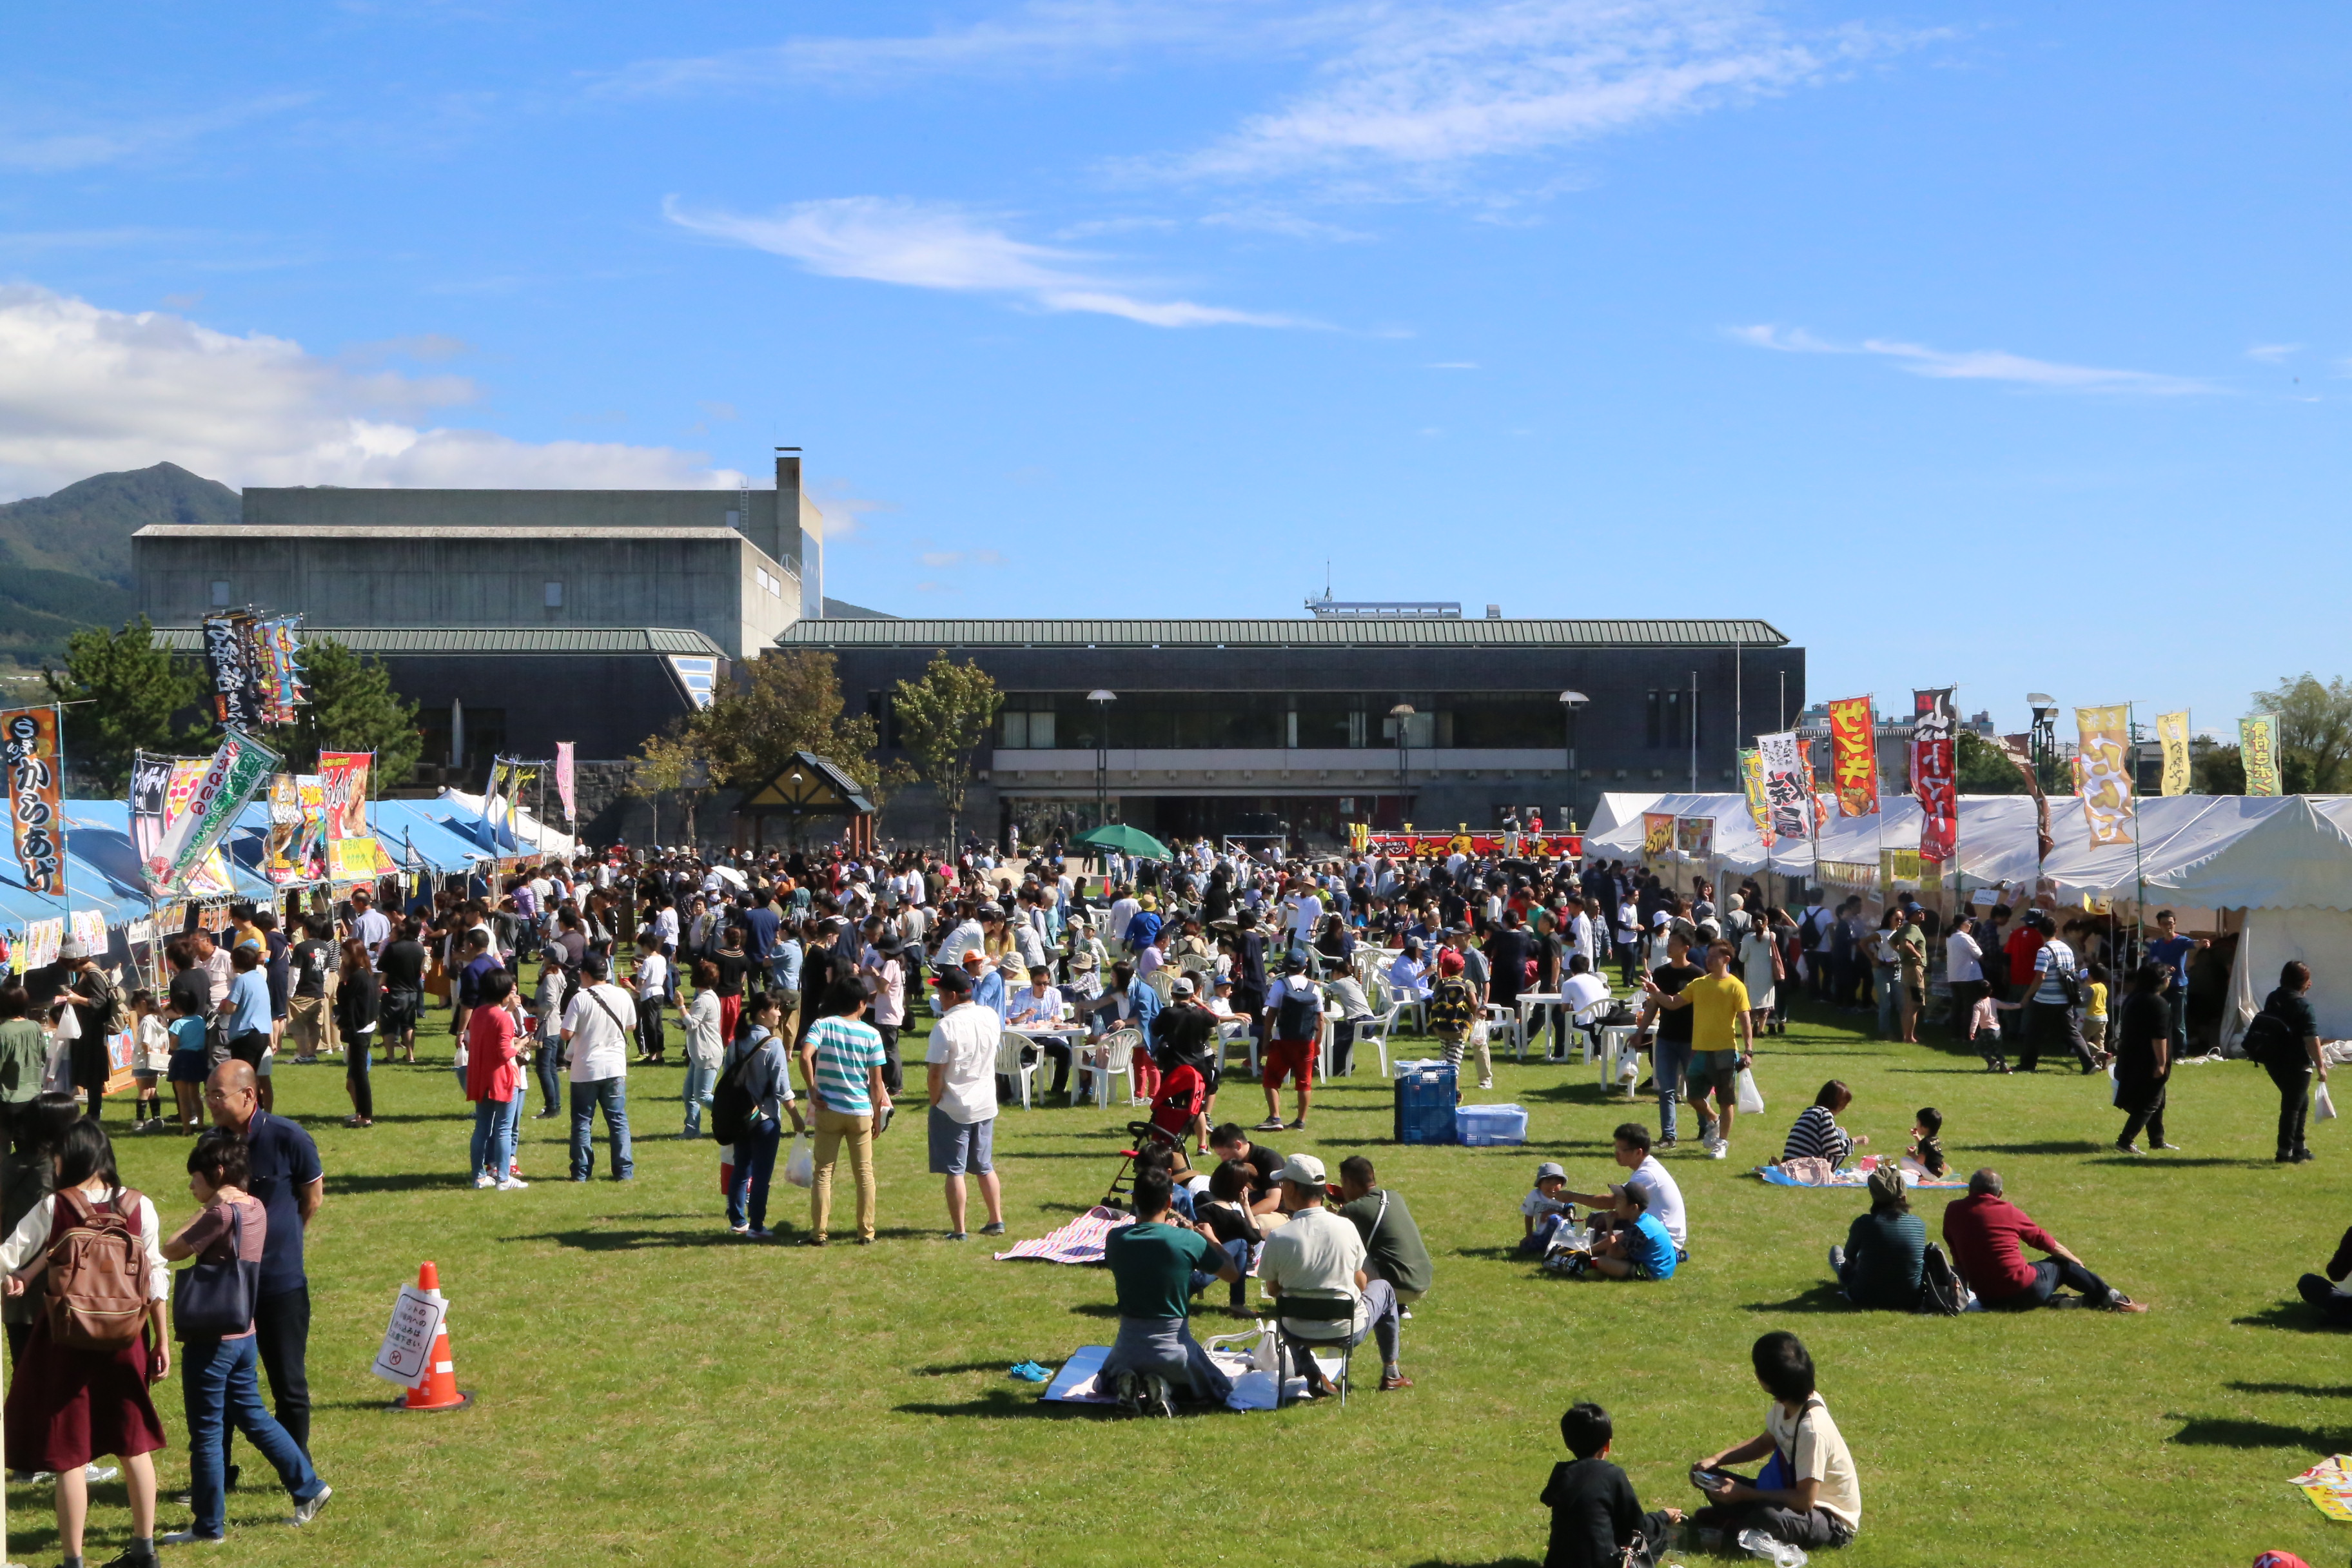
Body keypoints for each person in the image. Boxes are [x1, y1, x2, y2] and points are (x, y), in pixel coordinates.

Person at [0, 1119, 170, 1568]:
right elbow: (156, 1277)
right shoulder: (140, 1205)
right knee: (134, 1443)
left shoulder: (56, 1206)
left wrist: (15, 1280)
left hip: (67, 1337)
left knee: (69, 1451)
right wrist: (163, 1341)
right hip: (128, 1335)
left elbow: (8, 1255)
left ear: (69, 1157)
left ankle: (73, 1560)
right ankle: (143, 1550)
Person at [159, 1129, 330, 1543]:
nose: (191, 1186)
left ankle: (208, 1526)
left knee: (207, 1431)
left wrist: (210, 1208)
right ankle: (308, 1486)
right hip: (244, 1333)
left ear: (217, 1173)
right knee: (253, 1416)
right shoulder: (256, 1208)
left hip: (212, 1337)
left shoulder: (221, 1214)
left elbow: (171, 1249)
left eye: (195, 1178)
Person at [1687, 1332, 1861, 1552]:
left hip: (1829, 1520)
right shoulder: (1789, 1401)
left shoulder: (1813, 1429)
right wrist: (1716, 1460)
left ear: (1766, 1381)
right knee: (1710, 1478)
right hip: (1788, 1496)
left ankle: (1736, 1523)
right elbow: (1764, 1443)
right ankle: (1738, 1522)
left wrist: (1744, 1493)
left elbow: (1804, 1500)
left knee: (1767, 1516)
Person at [1257, 1153, 1408, 1395]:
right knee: (1385, 1289)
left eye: (1283, 1184)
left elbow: (1274, 1290)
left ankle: (1312, 1373)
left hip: (1297, 1330)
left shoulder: (1279, 1236)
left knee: (1288, 1310)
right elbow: (1361, 1283)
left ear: (1293, 1188)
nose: (1281, 1189)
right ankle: (1391, 1373)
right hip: (1346, 1329)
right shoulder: (1346, 1227)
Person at [1096, 1166, 1241, 1415]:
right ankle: (1164, 1386)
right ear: (1170, 1200)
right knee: (1218, 1387)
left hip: (1127, 1351)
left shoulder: (1115, 1239)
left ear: (1134, 1200)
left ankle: (1133, 1384)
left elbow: (1147, 1249)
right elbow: (1231, 1274)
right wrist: (1211, 1239)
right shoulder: (1187, 1240)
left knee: (1101, 1384)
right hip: (1176, 1353)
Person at [1941, 1168, 2144, 1311]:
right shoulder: (2007, 1211)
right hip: (2022, 1288)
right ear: (2000, 1193)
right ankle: (2119, 1301)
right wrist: (2076, 1266)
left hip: (1987, 1298)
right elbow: (2046, 1242)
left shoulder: (1952, 1211)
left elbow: (1957, 1256)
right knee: (2062, 1266)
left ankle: (2062, 1303)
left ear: (1969, 1189)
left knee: (2032, 1273)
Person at [796, 978, 892, 1246]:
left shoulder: (823, 1024)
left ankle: (819, 1233)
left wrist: (812, 1088)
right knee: (864, 1174)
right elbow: (876, 1083)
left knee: (824, 1173)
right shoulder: (871, 1034)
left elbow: (805, 1056)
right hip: (860, 1111)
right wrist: (876, 1115)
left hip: (829, 1109)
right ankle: (866, 1232)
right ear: (861, 1004)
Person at [1643, 939, 1751, 1160]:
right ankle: (1714, 1119)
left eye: (1714, 957)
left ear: (1726, 960)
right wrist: (1656, 992)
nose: (1708, 960)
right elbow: (1673, 1002)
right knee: (1693, 1097)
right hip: (1700, 1050)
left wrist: (1749, 1050)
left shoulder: (1736, 986)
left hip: (1725, 1051)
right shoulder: (1699, 983)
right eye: (1707, 956)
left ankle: (1721, 1143)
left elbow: (1745, 1019)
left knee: (1725, 1100)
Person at [1541, 1401, 1683, 1568]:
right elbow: (1636, 1528)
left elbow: (1549, 1499)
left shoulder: (1561, 1472)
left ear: (1567, 1442)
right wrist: (1663, 1517)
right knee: (1659, 1535)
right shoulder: (1612, 1474)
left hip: (1557, 1564)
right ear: (1607, 1444)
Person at [925, 968, 1004, 1242]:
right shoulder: (990, 1016)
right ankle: (996, 1219)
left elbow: (936, 1072)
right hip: (984, 1102)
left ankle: (959, 1229)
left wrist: (934, 1100)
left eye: (941, 993)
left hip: (953, 1105)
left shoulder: (945, 1026)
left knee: (954, 1170)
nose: (938, 997)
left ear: (953, 995)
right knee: (984, 1165)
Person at [721, 995, 804, 1239]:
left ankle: (738, 1221)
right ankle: (756, 1226)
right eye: (775, 1009)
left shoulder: (736, 1043)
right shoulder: (773, 1044)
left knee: (740, 1168)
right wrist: (796, 1117)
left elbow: (728, 1078)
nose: (779, 1013)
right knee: (761, 1175)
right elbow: (782, 1087)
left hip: (739, 1116)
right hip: (765, 1119)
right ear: (761, 1013)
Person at [560, 952, 638, 1182]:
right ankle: (624, 1171)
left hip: (586, 1068)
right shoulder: (622, 995)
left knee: (583, 1121)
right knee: (618, 1120)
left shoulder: (580, 999)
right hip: (615, 1067)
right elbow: (632, 1025)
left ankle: (582, 1172)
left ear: (585, 974)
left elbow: (566, 1033)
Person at [1559, 1124, 1689, 1259]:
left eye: (1622, 1149)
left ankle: (1589, 1253)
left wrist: (1572, 1196)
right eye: (1616, 1148)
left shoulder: (1648, 1174)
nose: (1617, 1153)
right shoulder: (1646, 1168)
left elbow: (1612, 1202)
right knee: (1596, 1220)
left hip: (1664, 1241)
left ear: (1638, 1152)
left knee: (1604, 1240)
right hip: (1649, 1230)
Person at [1335, 1155, 1431, 1318]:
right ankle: (1400, 1307)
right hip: (1422, 1282)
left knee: (1345, 1251)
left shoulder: (1352, 1210)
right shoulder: (1394, 1196)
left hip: (1396, 1286)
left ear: (1349, 1182)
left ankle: (1356, 1304)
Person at [2249, 960, 2324, 1164]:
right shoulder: (2303, 1005)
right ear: (2304, 982)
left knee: (2301, 1102)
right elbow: (2311, 1038)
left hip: (2272, 1058)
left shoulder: (2274, 997)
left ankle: (2299, 1147)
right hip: (2295, 1061)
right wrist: (2321, 1066)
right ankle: (2285, 1152)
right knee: (2292, 1106)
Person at [1635, 932, 1702, 1149]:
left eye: (1673, 944)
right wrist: (1640, 1032)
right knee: (1666, 1089)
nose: (1669, 946)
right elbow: (1654, 1004)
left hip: (1690, 1040)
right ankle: (1669, 1136)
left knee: (1695, 1089)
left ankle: (1705, 1127)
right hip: (1665, 1038)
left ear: (1686, 948)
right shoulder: (1661, 972)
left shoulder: (1697, 974)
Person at [1827, 1166, 1925, 1310]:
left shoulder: (1864, 1223)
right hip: (1910, 1297)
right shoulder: (1918, 1224)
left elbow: (1850, 1259)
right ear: (1903, 1197)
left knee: (1836, 1252)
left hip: (1865, 1296)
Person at [465, 970, 527, 1191]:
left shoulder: (479, 1013)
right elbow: (504, 1052)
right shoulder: (503, 1018)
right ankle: (503, 1178)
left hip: (481, 1075)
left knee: (482, 1127)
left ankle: (479, 1177)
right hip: (502, 1077)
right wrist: (521, 1044)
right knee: (503, 1128)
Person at [2113, 962, 2180, 1155]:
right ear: (2160, 982)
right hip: (2148, 1059)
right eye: (2167, 977)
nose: (2169, 979)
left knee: (2157, 1101)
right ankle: (2125, 1140)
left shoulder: (2134, 998)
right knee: (2149, 1102)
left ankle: (2157, 1140)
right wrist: (2161, 1063)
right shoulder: (2157, 1003)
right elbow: (2159, 1036)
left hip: (2131, 1056)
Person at [2015, 912, 2094, 1074]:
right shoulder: (2066, 948)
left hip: (2045, 998)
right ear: (2056, 929)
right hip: (2065, 998)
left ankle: (2027, 1064)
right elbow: (2073, 972)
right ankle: (2089, 1063)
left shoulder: (2044, 951)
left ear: (2039, 930)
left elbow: (2040, 977)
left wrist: (2027, 995)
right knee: (2072, 1032)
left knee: (2034, 1033)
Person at [1259, 956, 1321, 1130]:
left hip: (1282, 1039)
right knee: (1304, 1081)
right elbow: (1320, 1018)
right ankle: (1300, 1121)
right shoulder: (1314, 988)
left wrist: (1266, 1040)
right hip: (1306, 1041)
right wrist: (1318, 1042)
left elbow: (1271, 1014)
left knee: (1271, 1079)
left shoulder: (1280, 985)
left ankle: (1275, 1117)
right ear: (1305, 966)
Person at [1574, 1184, 1676, 1281]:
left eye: (1620, 1202)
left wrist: (1609, 1227)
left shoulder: (1640, 1229)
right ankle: (1586, 1261)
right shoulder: (1643, 1220)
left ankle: (1586, 1266)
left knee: (1603, 1261)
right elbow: (1618, 1239)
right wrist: (1586, 1251)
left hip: (1653, 1272)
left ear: (1633, 1208)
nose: (1615, 1206)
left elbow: (1613, 1255)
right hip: (1660, 1267)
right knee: (1603, 1248)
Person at [2144, 908, 2208, 1061]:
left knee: (2178, 1023)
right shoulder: (2157, 944)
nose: (2168, 926)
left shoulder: (2181, 941)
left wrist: (2202, 943)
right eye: (2165, 924)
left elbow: (2193, 944)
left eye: (2171, 923)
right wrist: (2163, 967)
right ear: (2159, 925)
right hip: (2161, 987)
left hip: (2179, 986)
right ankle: (2162, 1052)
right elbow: (2151, 962)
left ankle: (2180, 1054)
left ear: (2175, 923)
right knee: (2160, 1020)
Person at [332, 939, 379, 1130]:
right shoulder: (364, 974)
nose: (342, 958)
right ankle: (360, 1111)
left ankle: (366, 1116)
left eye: (344, 955)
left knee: (360, 1075)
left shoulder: (357, 977)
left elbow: (346, 1002)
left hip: (360, 1029)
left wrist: (342, 982)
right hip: (364, 1027)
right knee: (355, 1074)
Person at [681, 960, 723, 1139]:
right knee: (689, 1094)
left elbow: (692, 1023)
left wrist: (680, 1006)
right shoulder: (711, 996)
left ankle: (731, 1114)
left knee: (702, 1096)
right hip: (701, 1053)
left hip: (707, 1054)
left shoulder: (703, 1000)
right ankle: (692, 1130)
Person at [376, 917, 426, 1065]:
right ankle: (410, 1055)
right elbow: (420, 970)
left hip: (394, 990)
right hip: (411, 990)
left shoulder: (393, 947)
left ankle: (391, 1056)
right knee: (409, 1024)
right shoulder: (419, 948)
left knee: (389, 1024)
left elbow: (381, 966)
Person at [1781, 1081, 1867, 1168]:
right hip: (1806, 1166)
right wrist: (1855, 1141)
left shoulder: (1810, 1110)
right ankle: (1829, 1172)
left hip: (1790, 1162)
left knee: (1840, 1132)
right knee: (1842, 1136)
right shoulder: (1825, 1114)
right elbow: (1833, 1148)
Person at [1520, 1161, 1574, 1255]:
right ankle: (1545, 1247)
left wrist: (1554, 1213)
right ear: (1540, 1184)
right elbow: (1529, 1216)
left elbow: (1571, 1220)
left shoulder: (1565, 1198)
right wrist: (1529, 1235)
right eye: (1548, 1182)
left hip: (1561, 1237)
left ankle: (1556, 1247)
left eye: (1557, 1182)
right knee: (1525, 1246)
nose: (1552, 1186)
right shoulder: (1534, 1196)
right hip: (1542, 1234)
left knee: (1554, 1219)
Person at [1902, 1106, 1948, 1179]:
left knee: (1904, 1160)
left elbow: (1920, 1162)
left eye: (1918, 1122)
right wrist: (1917, 1137)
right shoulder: (1935, 1138)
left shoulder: (1925, 1142)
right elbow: (1927, 1149)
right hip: (1938, 1172)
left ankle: (1920, 1177)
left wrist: (1912, 1155)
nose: (1916, 1125)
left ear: (1924, 1127)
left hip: (1931, 1174)